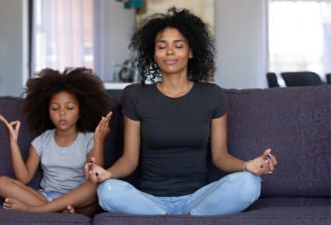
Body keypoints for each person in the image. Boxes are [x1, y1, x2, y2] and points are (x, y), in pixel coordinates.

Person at [85, 8, 278, 216]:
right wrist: (108, 174)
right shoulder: (137, 96)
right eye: (162, 46)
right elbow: (129, 159)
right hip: (150, 199)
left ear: (191, 52)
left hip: (199, 197)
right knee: (107, 190)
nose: (169, 51)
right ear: (154, 53)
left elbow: (220, 157)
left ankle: (189, 217)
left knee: (249, 182)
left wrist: (249, 166)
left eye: (178, 46)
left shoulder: (212, 95)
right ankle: (170, 218)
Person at [0, 67, 113, 216]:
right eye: (55, 108)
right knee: (1, 183)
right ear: (47, 112)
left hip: (79, 201)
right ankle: (60, 212)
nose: (62, 113)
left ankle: (37, 210)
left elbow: (95, 174)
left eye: (69, 108)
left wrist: (99, 139)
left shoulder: (89, 139)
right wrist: (12, 142)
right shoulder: (41, 141)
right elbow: (23, 178)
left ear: (81, 112)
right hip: (46, 197)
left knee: (95, 186)